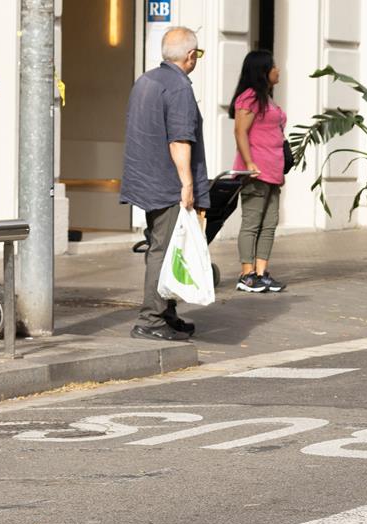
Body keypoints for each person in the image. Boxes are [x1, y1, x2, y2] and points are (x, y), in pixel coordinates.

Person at [120, 27, 209, 341]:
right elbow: (179, 139)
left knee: (164, 247)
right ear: (190, 56)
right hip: (167, 181)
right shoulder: (179, 87)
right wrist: (187, 183)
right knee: (165, 249)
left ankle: (167, 313)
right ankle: (151, 319)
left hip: (146, 179)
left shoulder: (145, 81)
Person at [229, 50, 287, 293]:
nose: (278, 70)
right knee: (252, 223)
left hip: (273, 171)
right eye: (274, 66)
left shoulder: (266, 98)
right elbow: (240, 131)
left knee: (270, 222)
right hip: (255, 172)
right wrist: (249, 162)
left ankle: (261, 273)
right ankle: (247, 275)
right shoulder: (249, 97)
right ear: (263, 71)